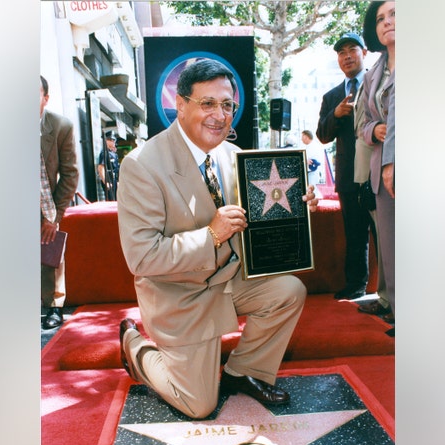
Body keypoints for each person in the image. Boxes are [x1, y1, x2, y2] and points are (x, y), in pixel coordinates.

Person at [117, 59, 319, 419]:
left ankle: (244, 372)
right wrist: (211, 235)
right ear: (180, 104)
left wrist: (297, 208)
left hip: (226, 280)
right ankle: (135, 347)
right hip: (179, 293)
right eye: (207, 103)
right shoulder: (142, 165)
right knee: (198, 405)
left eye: (227, 105)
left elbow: (256, 226)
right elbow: (143, 258)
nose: (220, 115)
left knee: (288, 291)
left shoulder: (234, 156)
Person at [316, 32, 373, 300]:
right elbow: (322, 135)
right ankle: (356, 286)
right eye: (341, 53)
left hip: (380, 172)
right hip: (349, 177)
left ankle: (392, 292)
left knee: (390, 235)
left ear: (365, 52)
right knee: (355, 235)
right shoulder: (332, 96)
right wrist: (335, 115)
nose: (347, 56)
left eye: (352, 50)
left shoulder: (381, 84)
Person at [356, 1, 396, 330]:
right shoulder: (374, 72)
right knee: (390, 242)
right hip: (380, 166)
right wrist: (374, 130)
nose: (387, 22)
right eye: (381, 18)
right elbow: (363, 123)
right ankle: (396, 306)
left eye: (395, 14)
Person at [40, 75, 80, 329]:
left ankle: (53, 306)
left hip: (47, 201)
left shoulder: (60, 126)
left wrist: (53, 216)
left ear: (45, 98)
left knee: (50, 253)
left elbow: (70, 174)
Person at [96, 131, 120, 201]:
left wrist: (118, 181)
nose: (113, 142)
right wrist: (105, 181)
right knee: (111, 200)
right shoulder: (104, 153)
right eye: (110, 140)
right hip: (109, 179)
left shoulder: (113, 154)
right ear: (106, 141)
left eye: (113, 140)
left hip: (114, 180)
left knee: (116, 200)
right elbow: (101, 168)